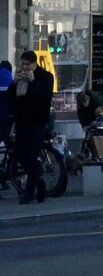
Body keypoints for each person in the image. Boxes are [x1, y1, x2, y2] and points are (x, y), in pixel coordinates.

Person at [5, 50, 54, 204]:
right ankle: (39, 181)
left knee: (32, 155)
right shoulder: (20, 77)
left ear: (34, 64)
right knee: (20, 155)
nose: (24, 68)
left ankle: (29, 193)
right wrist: (14, 83)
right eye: (22, 64)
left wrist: (33, 82)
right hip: (22, 121)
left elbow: (45, 96)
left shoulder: (45, 76)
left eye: (27, 65)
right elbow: (9, 96)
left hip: (38, 122)